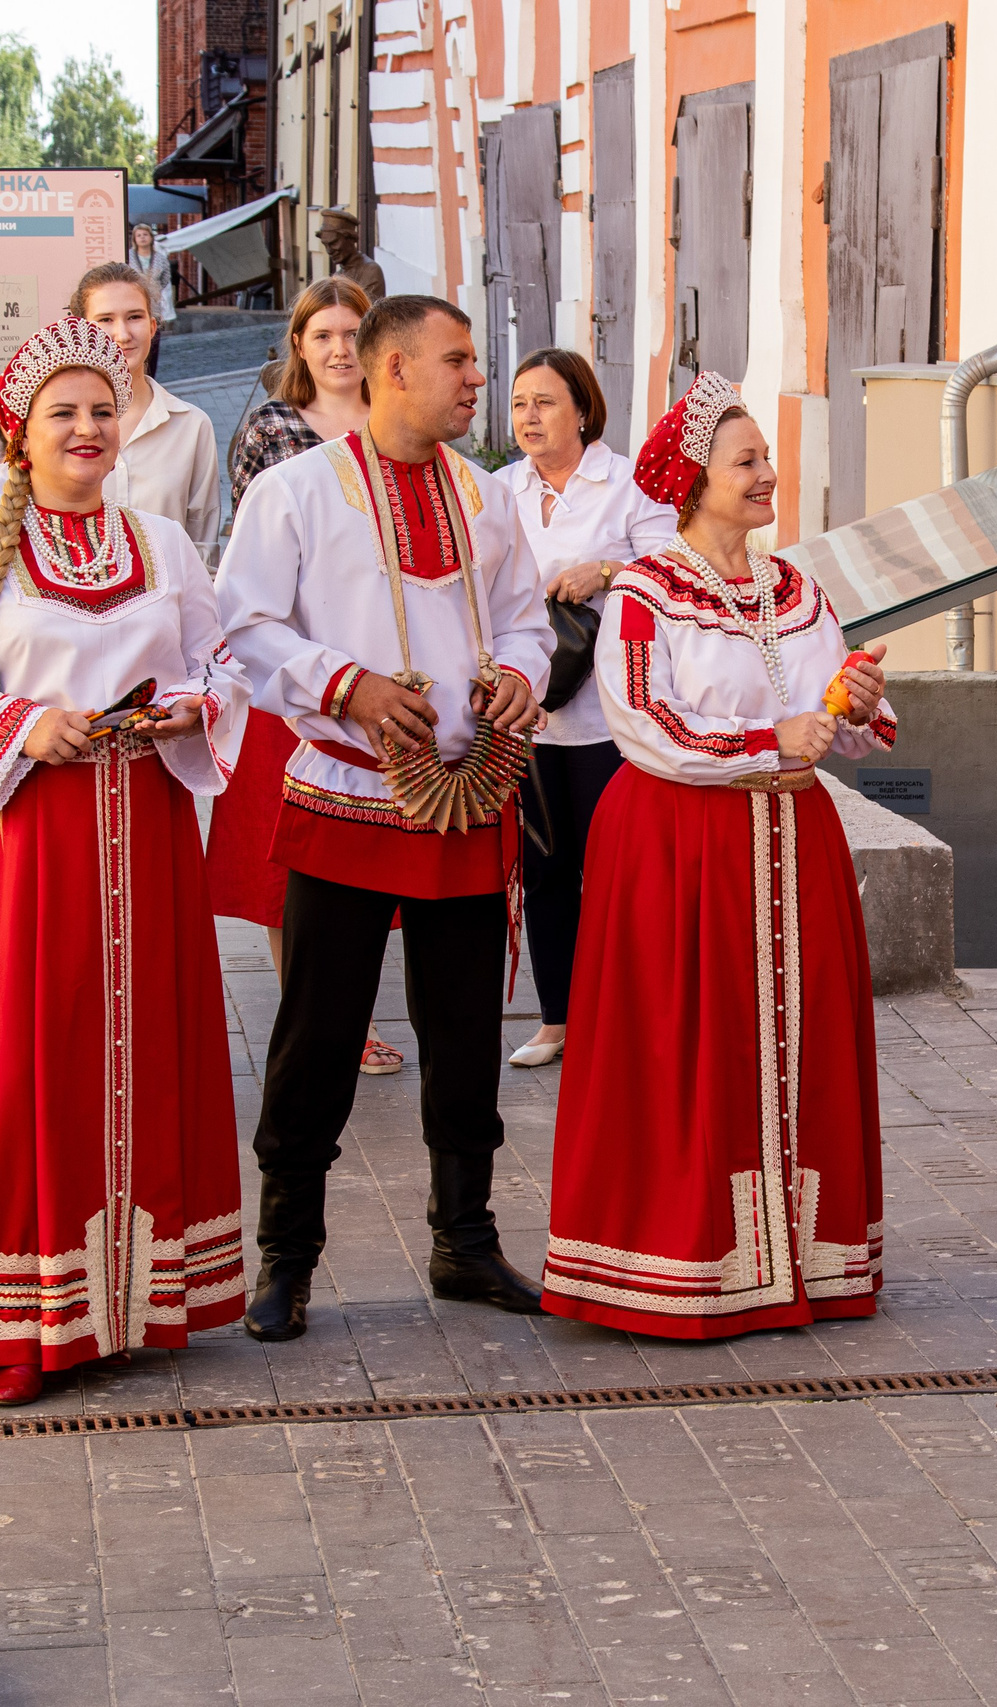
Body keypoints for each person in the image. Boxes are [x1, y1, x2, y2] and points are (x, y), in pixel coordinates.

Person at [0, 318, 249, 1405]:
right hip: (31, 835)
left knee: (144, 1047)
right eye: (64, 413)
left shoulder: (162, 545)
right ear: (20, 433)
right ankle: (16, 1322)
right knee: (22, 1055)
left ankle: (130, 1302)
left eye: (102, 410)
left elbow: (217, 659)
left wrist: (191, 706)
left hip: (145, 826)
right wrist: (18, 728)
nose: (87, 428)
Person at [220, 295, 551, 1338]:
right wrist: (345, 685)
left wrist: (520, 675)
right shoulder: (296, 493)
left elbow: (526, 619)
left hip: (462, 800)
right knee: (317, 1035)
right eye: (456, 362)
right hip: (348, 795)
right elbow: (243, 628)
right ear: (392, 369)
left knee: (462, 1032)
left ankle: (465, 1241)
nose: (474, 380)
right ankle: (286, 1258)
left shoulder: (485, 496)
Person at [538, 374, 894, 1336]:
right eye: (748, 461)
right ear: (693, 483)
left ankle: (801, 1258)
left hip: (793, 838)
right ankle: (679, 1258)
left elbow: (830, 710)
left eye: (767, 458)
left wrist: (851, 705)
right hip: (679, 845)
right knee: (683, 1041)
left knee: (799, 1037)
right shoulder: (649, 591)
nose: (770, 474)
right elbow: (644, 722)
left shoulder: (797, 587)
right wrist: (768, 741)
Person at [211, 275, 404, 1076]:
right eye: (318, 334)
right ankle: (310, 1013)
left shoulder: (400, 425)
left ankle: (349, 1011)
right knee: (285, 857)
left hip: (382, 666)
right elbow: (251, 558)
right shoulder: (271, 429)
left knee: (371, 853)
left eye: (347, 333)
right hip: (292, 666)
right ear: (298, 345)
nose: (333, 348)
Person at [499, 348, 677, 1068]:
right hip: (532, 713)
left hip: (613, 715)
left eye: (544, 401)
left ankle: (631, 1017)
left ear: (581, 408)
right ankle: (557, 1018)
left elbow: (675, 576)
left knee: (618, 872)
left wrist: (605, 571)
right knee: (544, 870)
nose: (529, 417)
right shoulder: (498, 490)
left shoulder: (628, 482)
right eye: (518, 404)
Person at [74, 262, 221, 558]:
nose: (122, 334)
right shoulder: (57, 428)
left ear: (153, 326)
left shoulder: (191, 427)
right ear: (81, 330)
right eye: (105, 319)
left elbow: (202, 549)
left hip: (167, 601)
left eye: (134, 317)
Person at [128, 221, 176, 377]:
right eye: (139, 235)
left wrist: (154, 291)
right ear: (135, 239)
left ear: (151, 237)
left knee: (153, 339)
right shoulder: (129, 256)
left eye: (145, 235)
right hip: (133, 300)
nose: (142, 238)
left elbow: (166, 278)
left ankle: (150, 375)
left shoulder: (160, 258)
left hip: (154, 304)